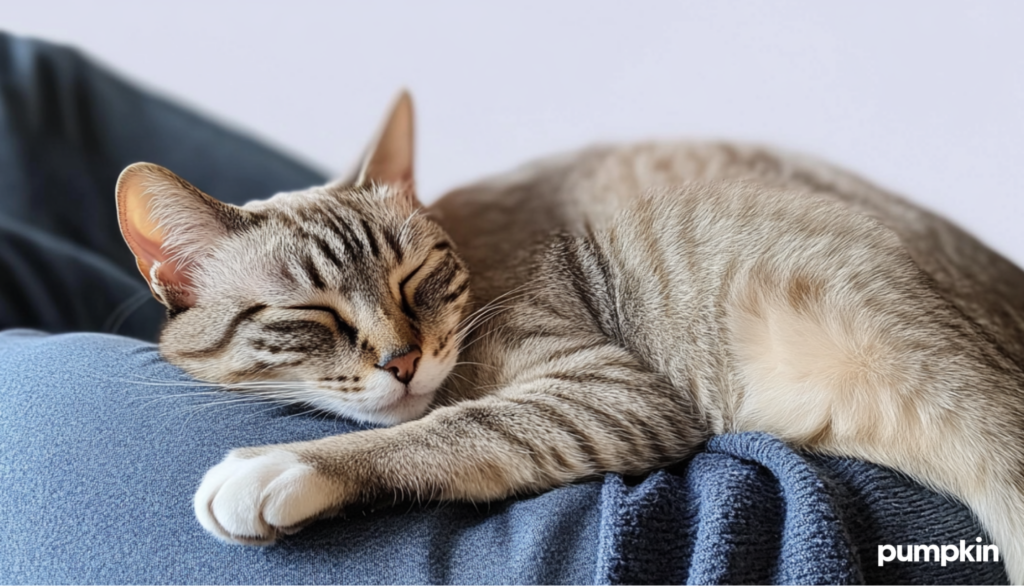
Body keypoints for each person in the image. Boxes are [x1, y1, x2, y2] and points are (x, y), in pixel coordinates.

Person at [0, 32, 1006, 585]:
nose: (401, 349)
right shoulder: (410, 273)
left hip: (850, 423)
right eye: (322, 317)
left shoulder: (487, 300)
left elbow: (632, 411)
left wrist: (349, 462)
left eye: (413, 290)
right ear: (173, 276)